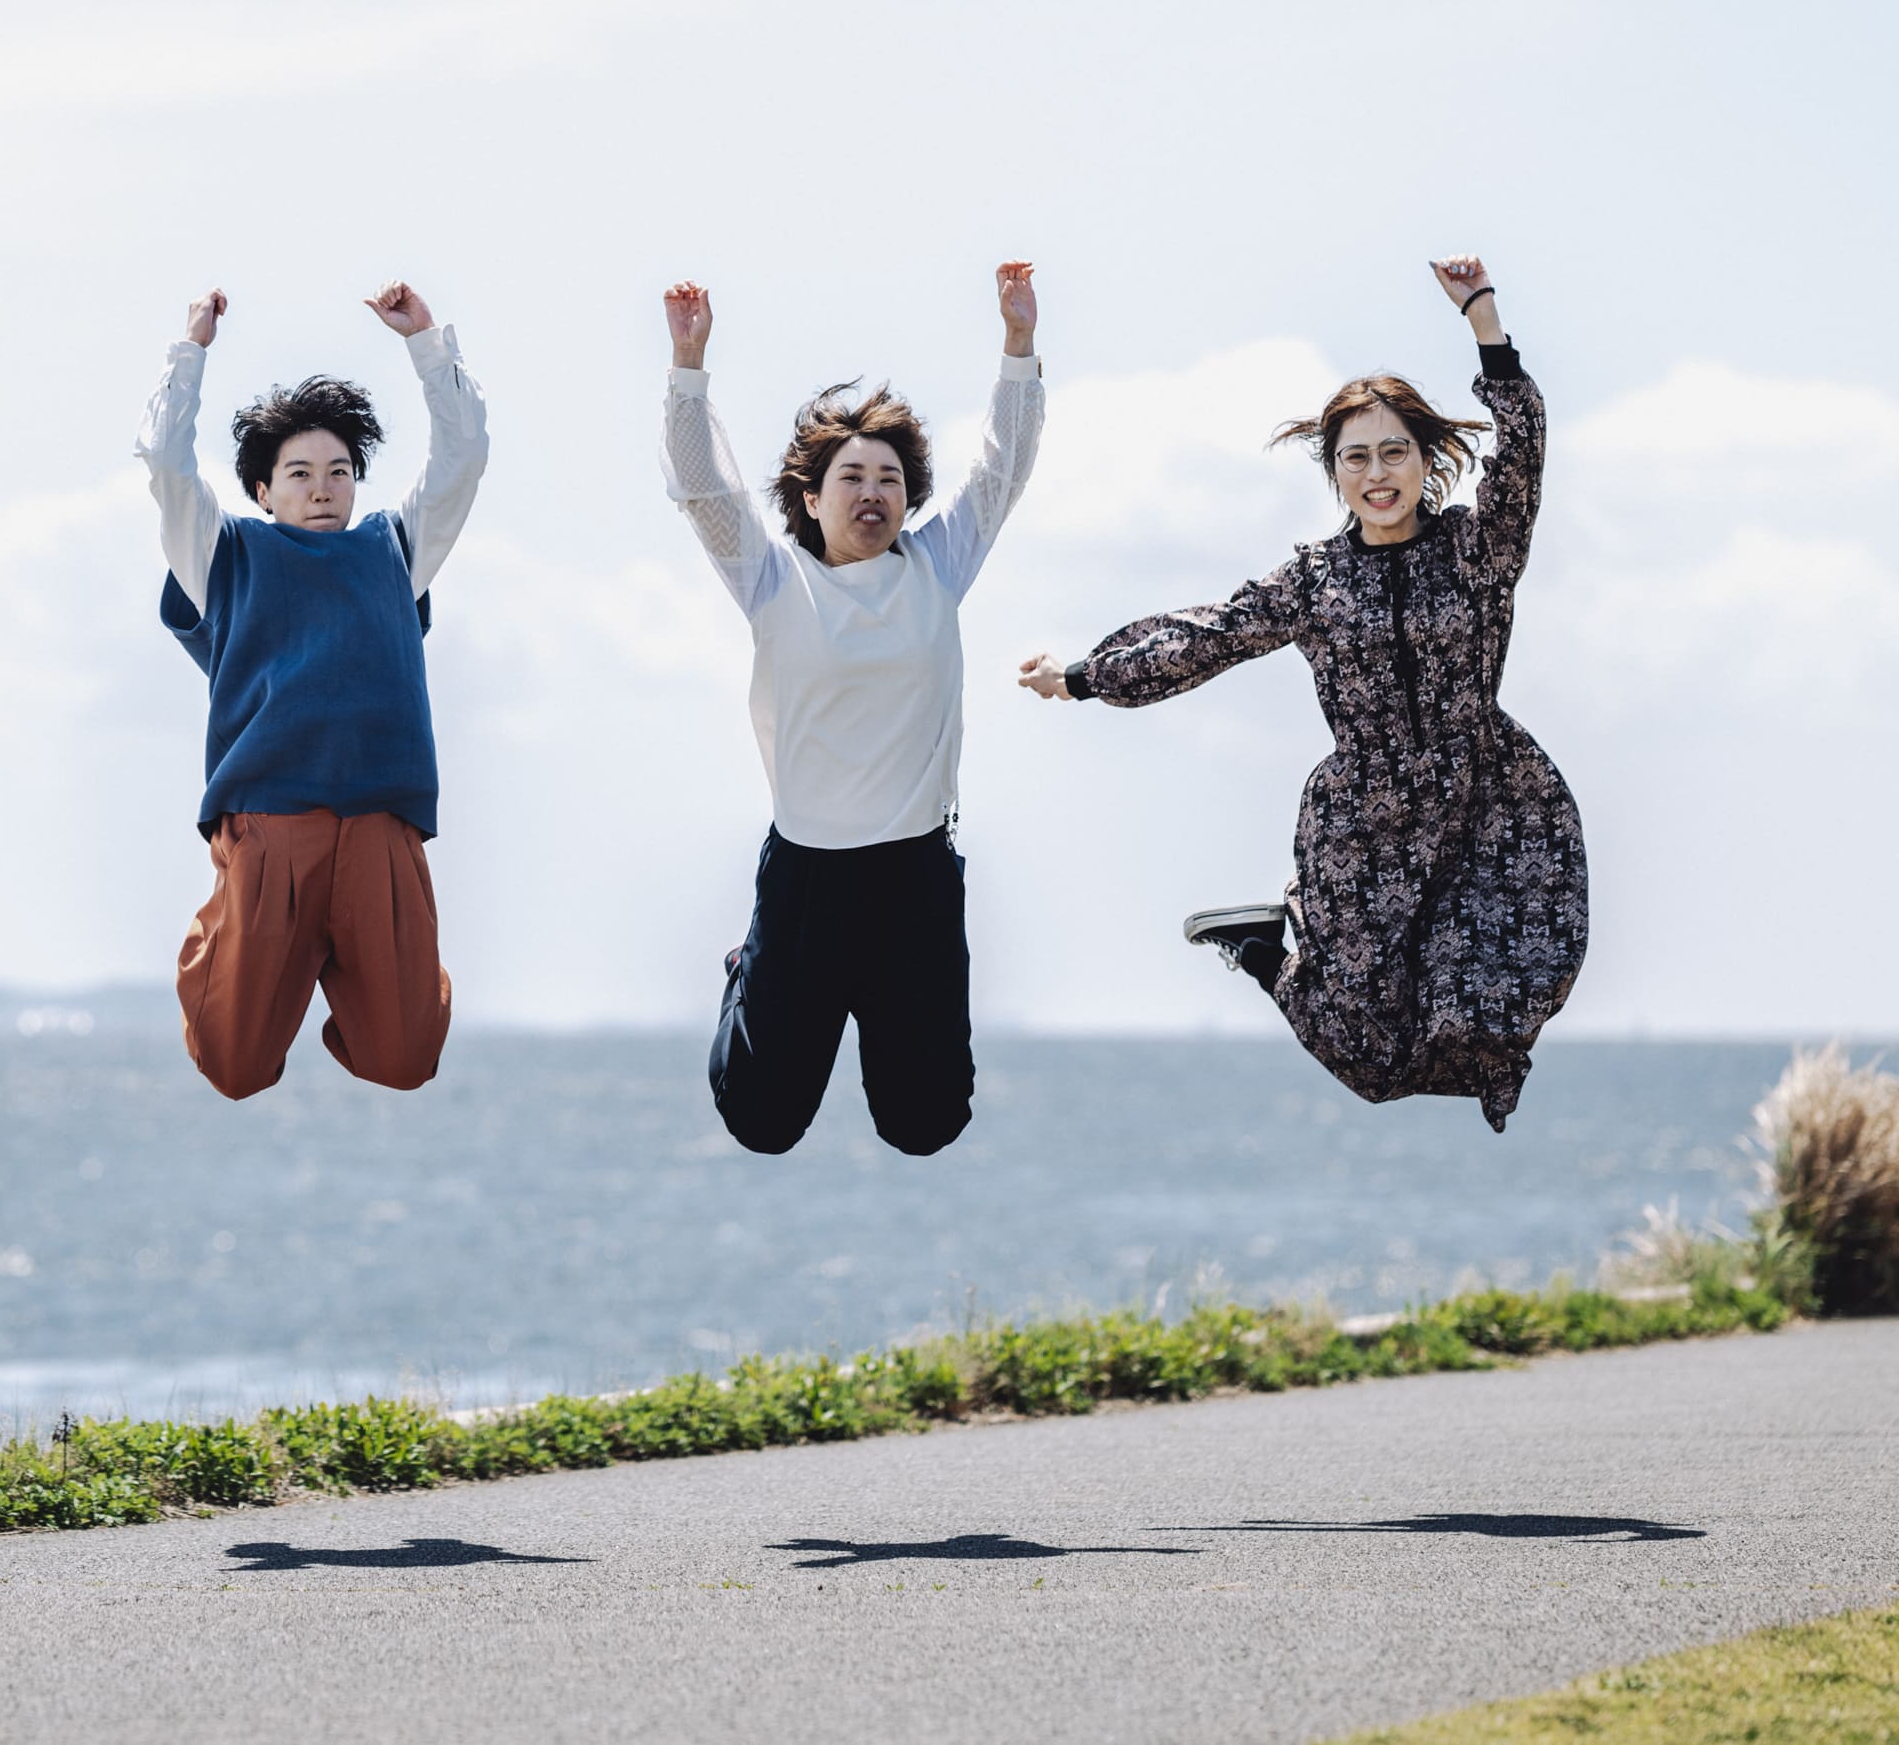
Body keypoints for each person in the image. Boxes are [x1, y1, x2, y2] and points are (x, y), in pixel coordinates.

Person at [1018, 256, 1582, 1132]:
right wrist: (1086, 675)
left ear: (1426, 458)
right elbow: (1208, 635)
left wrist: (1483, 318)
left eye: (1395, 449)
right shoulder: (1314, 579)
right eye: (1356, 457)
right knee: (1367, 1060)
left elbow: (1524, 452)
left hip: (1485, 806)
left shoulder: (1480, 549)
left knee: (1480, 1014)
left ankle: (1323, 968)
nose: (1378, 471)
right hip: (1364, 821)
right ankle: (1259, 950)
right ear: (1335, 473)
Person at [662, 263, 1045, 1157]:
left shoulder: (937, 568)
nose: (872, 492)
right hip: (805, 879)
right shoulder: (771, 579)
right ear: (810, 496)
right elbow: (703, 489)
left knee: (926, 1125)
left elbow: (1005, 469)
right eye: (851, 476)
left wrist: (1018, 346)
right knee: (761, 1122)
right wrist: (688, 365)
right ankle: (743, 972)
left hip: (913, 874)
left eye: (889, 479)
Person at [142, 282, 488, 1101]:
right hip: (270, 829)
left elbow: (463, 458)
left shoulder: (396, 550)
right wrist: (190, 351)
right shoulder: (224, 553)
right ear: (263, 490)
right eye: (298, 472)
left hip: (381, 828)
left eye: (338, 471)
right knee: (234, 1067)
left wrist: (426, 342)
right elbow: (165, 465)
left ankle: (339, 967)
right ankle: (222, 941)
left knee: (405, 1060)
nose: (322, 486)